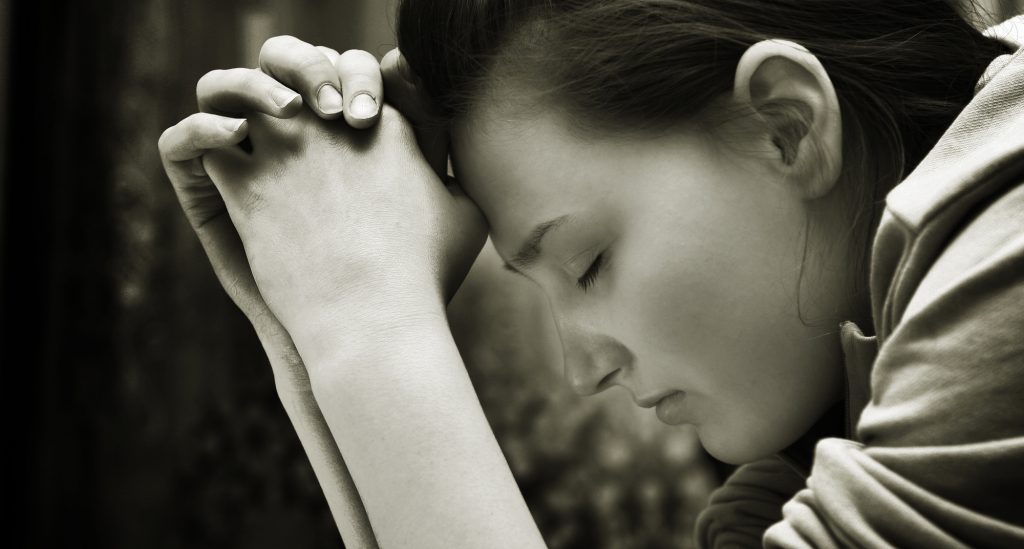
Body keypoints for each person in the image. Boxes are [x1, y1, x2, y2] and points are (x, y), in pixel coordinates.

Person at [157, 1, 1024, 547]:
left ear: (785, 125)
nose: (584, 369)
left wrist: (367, 317)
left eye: (587, 260)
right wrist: (320, 323)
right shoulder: (794, 472)